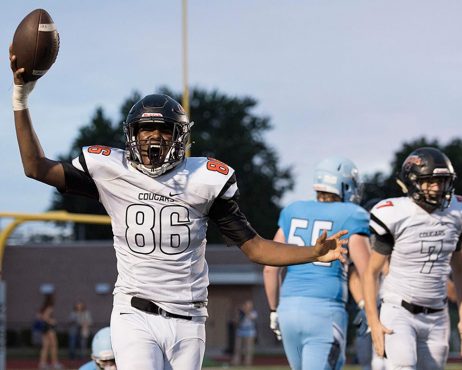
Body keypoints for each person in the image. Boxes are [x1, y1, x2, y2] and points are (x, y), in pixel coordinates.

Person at [9, 47, 348, 370]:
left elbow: (256, 248)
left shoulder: (203, 180)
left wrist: (312, 252)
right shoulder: (111, 172)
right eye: (145, 129)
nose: (154, 137)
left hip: (189, 320)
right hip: (134, 313)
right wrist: (21, 97)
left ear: (179, 136)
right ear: (132, 135)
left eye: (163, 129)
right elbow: (35, 166)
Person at [364, 147, 462, 370]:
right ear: (413, 181)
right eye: (430, 181)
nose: (437, 187)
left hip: (437, 315)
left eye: (442, 181)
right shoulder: (396, 214)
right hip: (399, 310)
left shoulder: (458, 214)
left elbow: (461, 271)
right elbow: (371, 272)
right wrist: (373, 322)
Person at [263, 156, 371, 370]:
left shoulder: (292, 210)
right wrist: (370, 308)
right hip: (325, 311)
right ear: (344, 184)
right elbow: (368, 271)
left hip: (288, 309)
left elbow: (269, 268)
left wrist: (274, 310)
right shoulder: (353, 214)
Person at [37, 294, 63, 370]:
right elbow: (45, 317)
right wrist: (52, 321)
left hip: (44, 328)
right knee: (54, 346)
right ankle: (54, 363)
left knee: (45, 347)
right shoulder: (50, 307)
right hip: (49, 328)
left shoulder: (43, 307)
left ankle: (42, 364)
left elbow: (39, 316)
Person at [231, 299, 258, 366]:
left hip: (249, 332)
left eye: (249, 305)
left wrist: (246, 312)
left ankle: (247, 362)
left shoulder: (253, 313)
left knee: (248, 348)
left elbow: (252, 318)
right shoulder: (240, 313)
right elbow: (235, 321)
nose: (248, 307)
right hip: (240, 331)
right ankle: (236, 361)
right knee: (237, 347)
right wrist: (238, 314)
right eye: (246, 305)